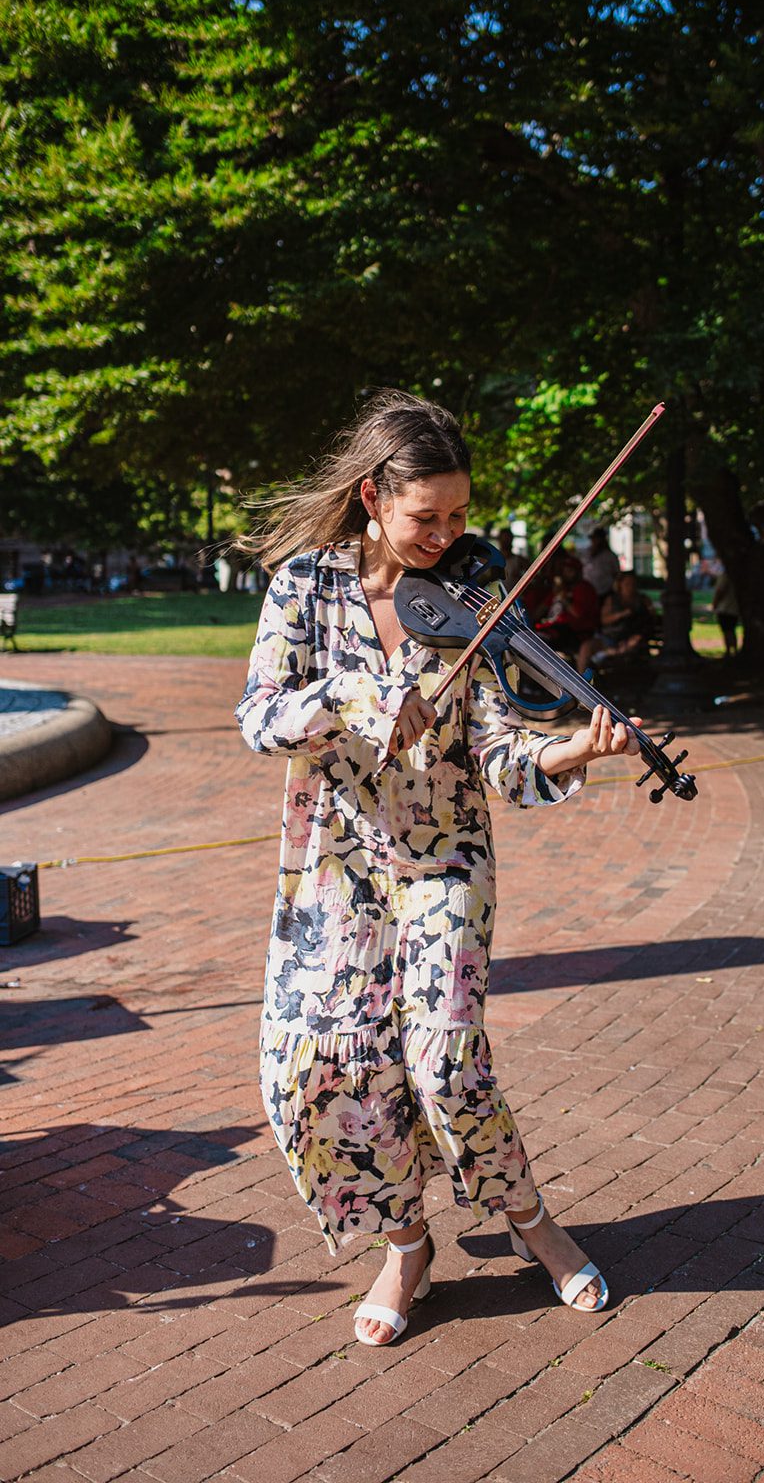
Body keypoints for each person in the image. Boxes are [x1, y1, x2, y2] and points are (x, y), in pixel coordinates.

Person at [235, 390, 640, 1349]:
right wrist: (356, 695)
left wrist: (571, 753)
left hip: (445, 858)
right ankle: (406, 1243)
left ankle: (534, 1223)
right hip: (335, 867)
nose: (450, 536)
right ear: (374, 496)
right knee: (311, 1064)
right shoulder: (303, 587)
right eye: (430, 517)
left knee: (443, 1057)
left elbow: (499, 748)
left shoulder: (472, 597)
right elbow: (260, 718)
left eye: (462, 515)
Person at [576, 570, 655, 673]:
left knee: (631, 645)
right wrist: (621, 614)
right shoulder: (611, 600)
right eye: (627, 584)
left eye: (632, 584)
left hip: (631, 640)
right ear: (620, 585)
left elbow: (650, 620)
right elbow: (604, 620)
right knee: (586, 648)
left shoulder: (643, 600)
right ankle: (581, 681)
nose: (630, 587)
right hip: (609, 638)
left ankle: (605, 655)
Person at [535, 553, 600, 657]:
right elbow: (542, 608)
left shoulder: (584, 588)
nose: (566, 574)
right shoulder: (561, 588)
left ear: (578, 572)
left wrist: (564, 599)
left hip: (577, 632)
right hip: (555, 628)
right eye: (564, 571)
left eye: (570, 571)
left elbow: (578, 614)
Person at [581, 526, 620, 600]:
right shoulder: (586, 553)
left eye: (597, 539)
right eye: (594, 539)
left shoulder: (609, 555)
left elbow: (616, 573)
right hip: (588, 591)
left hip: (604, 591)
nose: (595, 541)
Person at [712, 569, 740, 658]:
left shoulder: (725, 575)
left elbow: (720, 590)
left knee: (727, 631)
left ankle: (729, 651)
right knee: (731, 630)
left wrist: (715, 603)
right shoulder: (736, 576)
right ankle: (733, 651)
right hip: (733, 608)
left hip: (725, 608)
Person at [495, 526, 528, 591]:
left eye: (508, 539)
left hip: (514, 597)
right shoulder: (491, 560)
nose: (506, 541)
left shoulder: (520, 560)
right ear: (499, 540)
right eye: (504, 539)